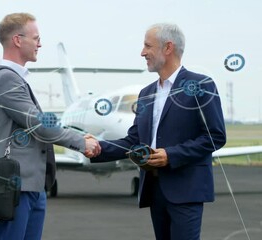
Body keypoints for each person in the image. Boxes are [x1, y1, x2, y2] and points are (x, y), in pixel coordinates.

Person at [90, 23, 226, 239]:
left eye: (148, 46)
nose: (142, 52)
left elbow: (215, 136)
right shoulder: (146, 93)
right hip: (155, 189)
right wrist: (96, 148)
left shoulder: (201, 84)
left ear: (168, 47)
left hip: (185, 190)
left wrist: (171, 155)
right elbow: (134, 140)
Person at [0, 13, 100, 240]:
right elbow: (39, 125)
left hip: (31, 186)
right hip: (15, 187)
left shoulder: (15, 79)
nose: (40, 44)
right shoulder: (6, 79)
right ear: (18, 40)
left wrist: (77, 135)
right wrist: (80, 142)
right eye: (36, 38)